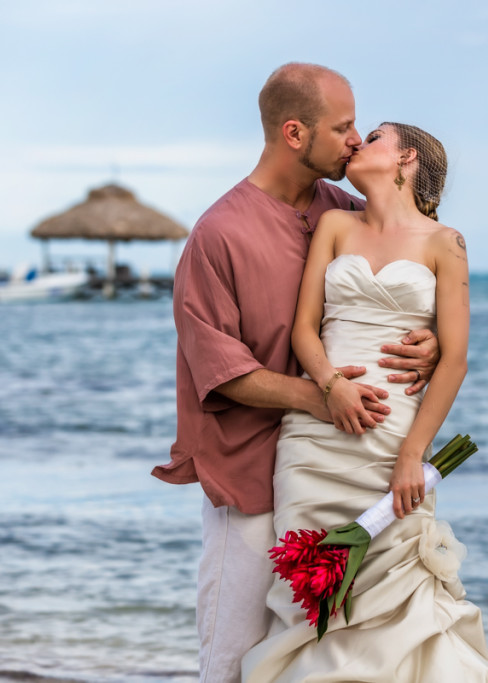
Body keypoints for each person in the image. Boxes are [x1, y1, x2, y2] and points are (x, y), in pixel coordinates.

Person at [151, 63, 441, 683]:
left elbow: (409, 280)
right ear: (292, 133)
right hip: (251, 474)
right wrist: (320, 395)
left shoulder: (344, 209)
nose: (356, 140)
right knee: (232, 659)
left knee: (329, 657)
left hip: (341, 472)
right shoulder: (217, 234)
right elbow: (219, 369)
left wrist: (431, 343)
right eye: (342, 128)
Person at [241, 122, 488, 682]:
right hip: (316, 443)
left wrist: (413, 456)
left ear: (406, 157)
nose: (358, 143)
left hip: (392, 439)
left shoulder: (445, 242)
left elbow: (453, 360)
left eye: (374, 136)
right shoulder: (335, 224)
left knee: (398, 586)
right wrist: (332, 387)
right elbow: (305, 330)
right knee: (307, 593)